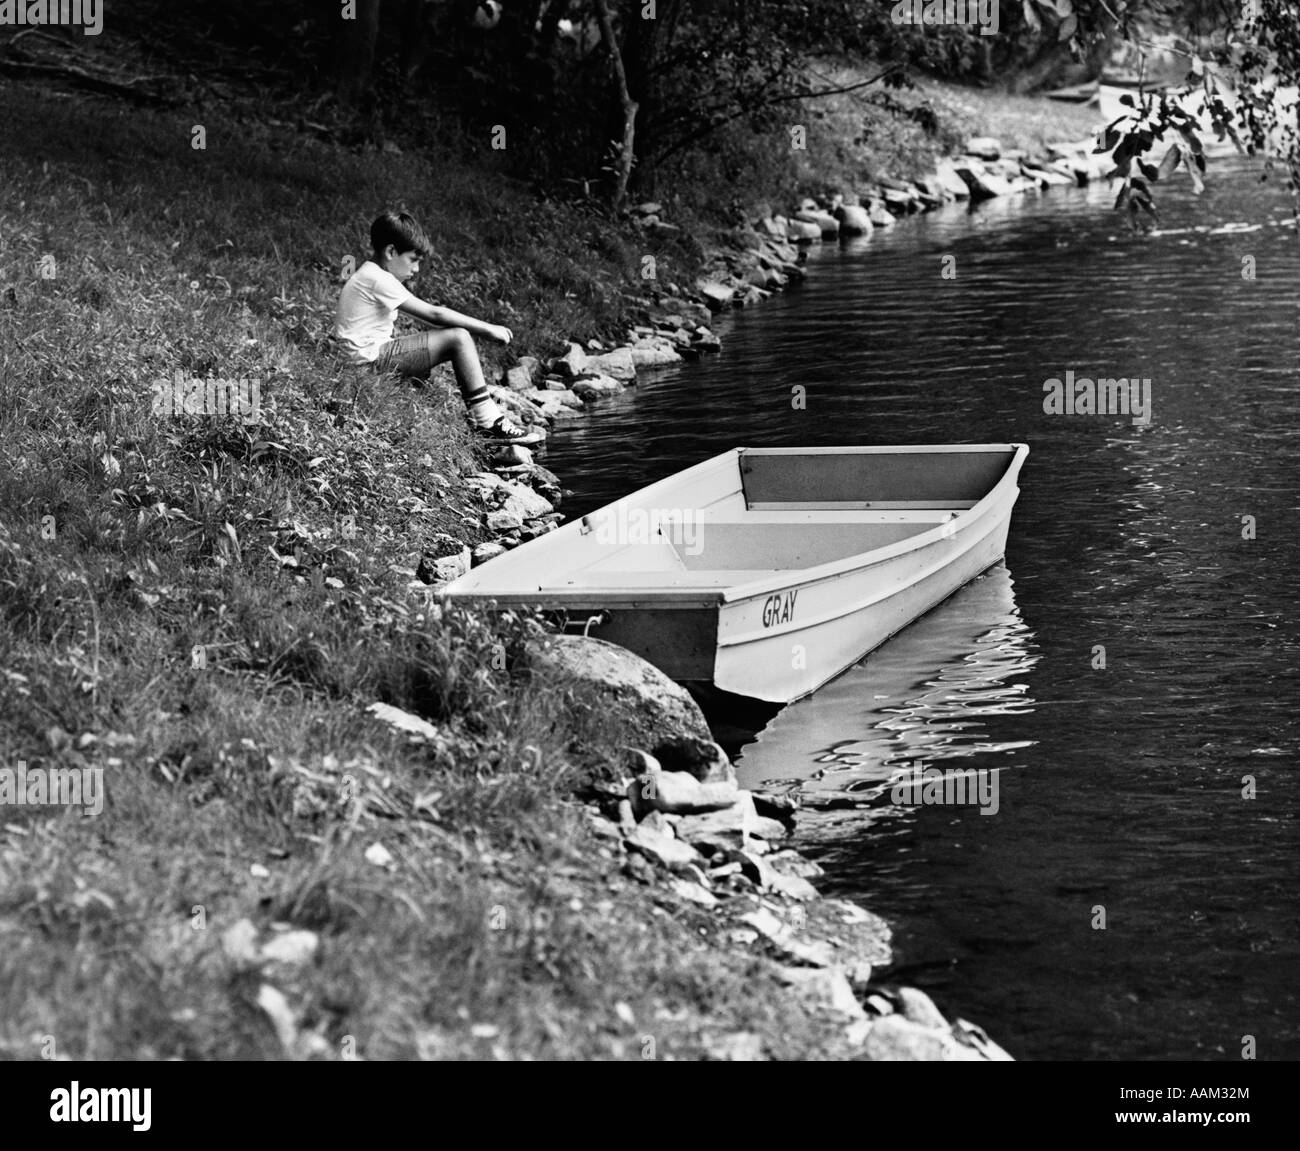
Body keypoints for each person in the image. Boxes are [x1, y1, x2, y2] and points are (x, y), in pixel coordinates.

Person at [334, 210, 543, 445]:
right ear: (391, 252)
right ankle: (488, 422)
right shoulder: (377, 278)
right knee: (458, 338)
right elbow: (434, 314)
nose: (416, 269)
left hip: (361, 362)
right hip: (366, 365)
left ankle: (480, 414)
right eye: (413, 260)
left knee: (427, 355)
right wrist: (488, 328)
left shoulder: (369, 273)